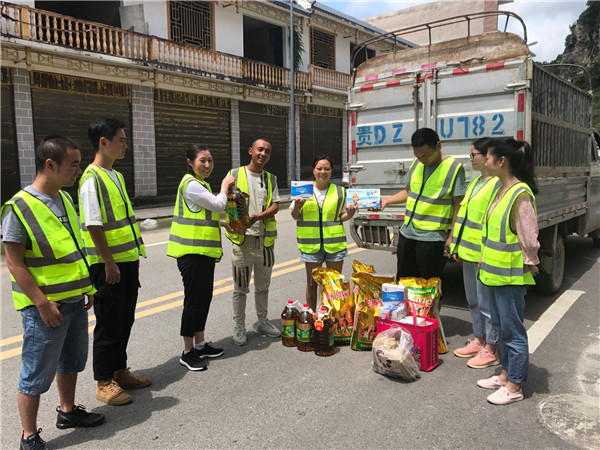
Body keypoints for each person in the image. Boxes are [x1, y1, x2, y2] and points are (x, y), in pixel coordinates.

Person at [2, 136, 104, 450]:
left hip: (74, 300)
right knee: (36, 371)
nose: (78, 170)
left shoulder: (63, 199)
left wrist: (86, 288)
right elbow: (14, 263)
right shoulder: (19, 207)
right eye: (73, 164)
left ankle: (68, 411)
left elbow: (72, 249)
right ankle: (28, 435)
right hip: (44, 307)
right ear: (51, 164)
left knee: (71, 361)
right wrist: (42, 303)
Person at [78, 118, 149, 406]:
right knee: (108, 323)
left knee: (125, 319)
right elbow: (94, 225)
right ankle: (104, 380)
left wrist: (132, 258)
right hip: (107, 265)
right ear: (103, 142)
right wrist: (109, 263)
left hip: (125, 261)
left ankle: (120, 369)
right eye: (121, 139)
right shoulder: (91, 179)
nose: (125, 144)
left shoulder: (115, 176)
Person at [476, 137, 540, 405]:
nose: (485, 160)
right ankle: (505, 375)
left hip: (510, 275)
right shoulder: (501, 190)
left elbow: (529, 236)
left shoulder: (520, 193)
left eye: (489, 156)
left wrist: (532, 261)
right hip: (494, 273)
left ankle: (515, 386)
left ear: (501, 161)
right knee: (502, 328)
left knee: (513, 332)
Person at [167, 144, 235, 371]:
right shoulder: (191, 185)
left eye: (210, 160)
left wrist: (224, 224)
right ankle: (187, 352)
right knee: (194, 301)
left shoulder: (201, 185)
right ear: (190, 162)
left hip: (203, 253)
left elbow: (207, 214)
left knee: (204, 298)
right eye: (202, 160)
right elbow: (218, 205)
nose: (207, 165)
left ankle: (200, 344)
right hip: (191, 254)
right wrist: (225, 187)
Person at [375, 128, 465, 280]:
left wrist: (452, 236)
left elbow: (459, 205)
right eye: (418, 156)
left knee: (428, 286)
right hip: (407, 233)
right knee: (404, 282)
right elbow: (408, 192)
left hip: (431, 237)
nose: (422, 159)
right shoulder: (417, 164)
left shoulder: (454, 168)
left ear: (438, 146)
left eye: (426, 155)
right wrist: (387, 200)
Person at [450, 138, 502, 368]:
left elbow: (493, 222)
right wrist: (455, 245)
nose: (471, 159)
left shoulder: (497, 185)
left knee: (487, 304)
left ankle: (492, 347)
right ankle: (479, 339)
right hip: (468, 252)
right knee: (473, 301)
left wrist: (485, 252)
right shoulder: (475, 182)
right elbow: (464, 217)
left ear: (488, 156)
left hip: (483, 255)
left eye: (475, 155)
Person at [225, 138, 281, 346]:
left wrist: (260, 215)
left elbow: (275, 205)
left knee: (263, 286)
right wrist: (227, 223)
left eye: (267, 151)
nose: (263, 153)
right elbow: (223, 201)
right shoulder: (234, 175)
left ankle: (262, 321)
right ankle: (239, 326)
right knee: (240, 288)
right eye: (260, 149)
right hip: (242, 241)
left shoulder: (271, 179)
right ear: (250, 151)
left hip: (265, 242)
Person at [290, 155, 357, 311]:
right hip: (311, 246)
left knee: (333, 286)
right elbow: (294, 216)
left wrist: (351, 213)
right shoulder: (303, 190)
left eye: (327, 168)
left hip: (335, 245)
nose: (323, 172)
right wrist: (298, 207)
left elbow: (342, 217)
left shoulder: (340, 191)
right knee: (312, 284)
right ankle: (313, 317)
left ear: (331, 171)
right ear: (314, 170)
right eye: (319, 168)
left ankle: (331, 319)